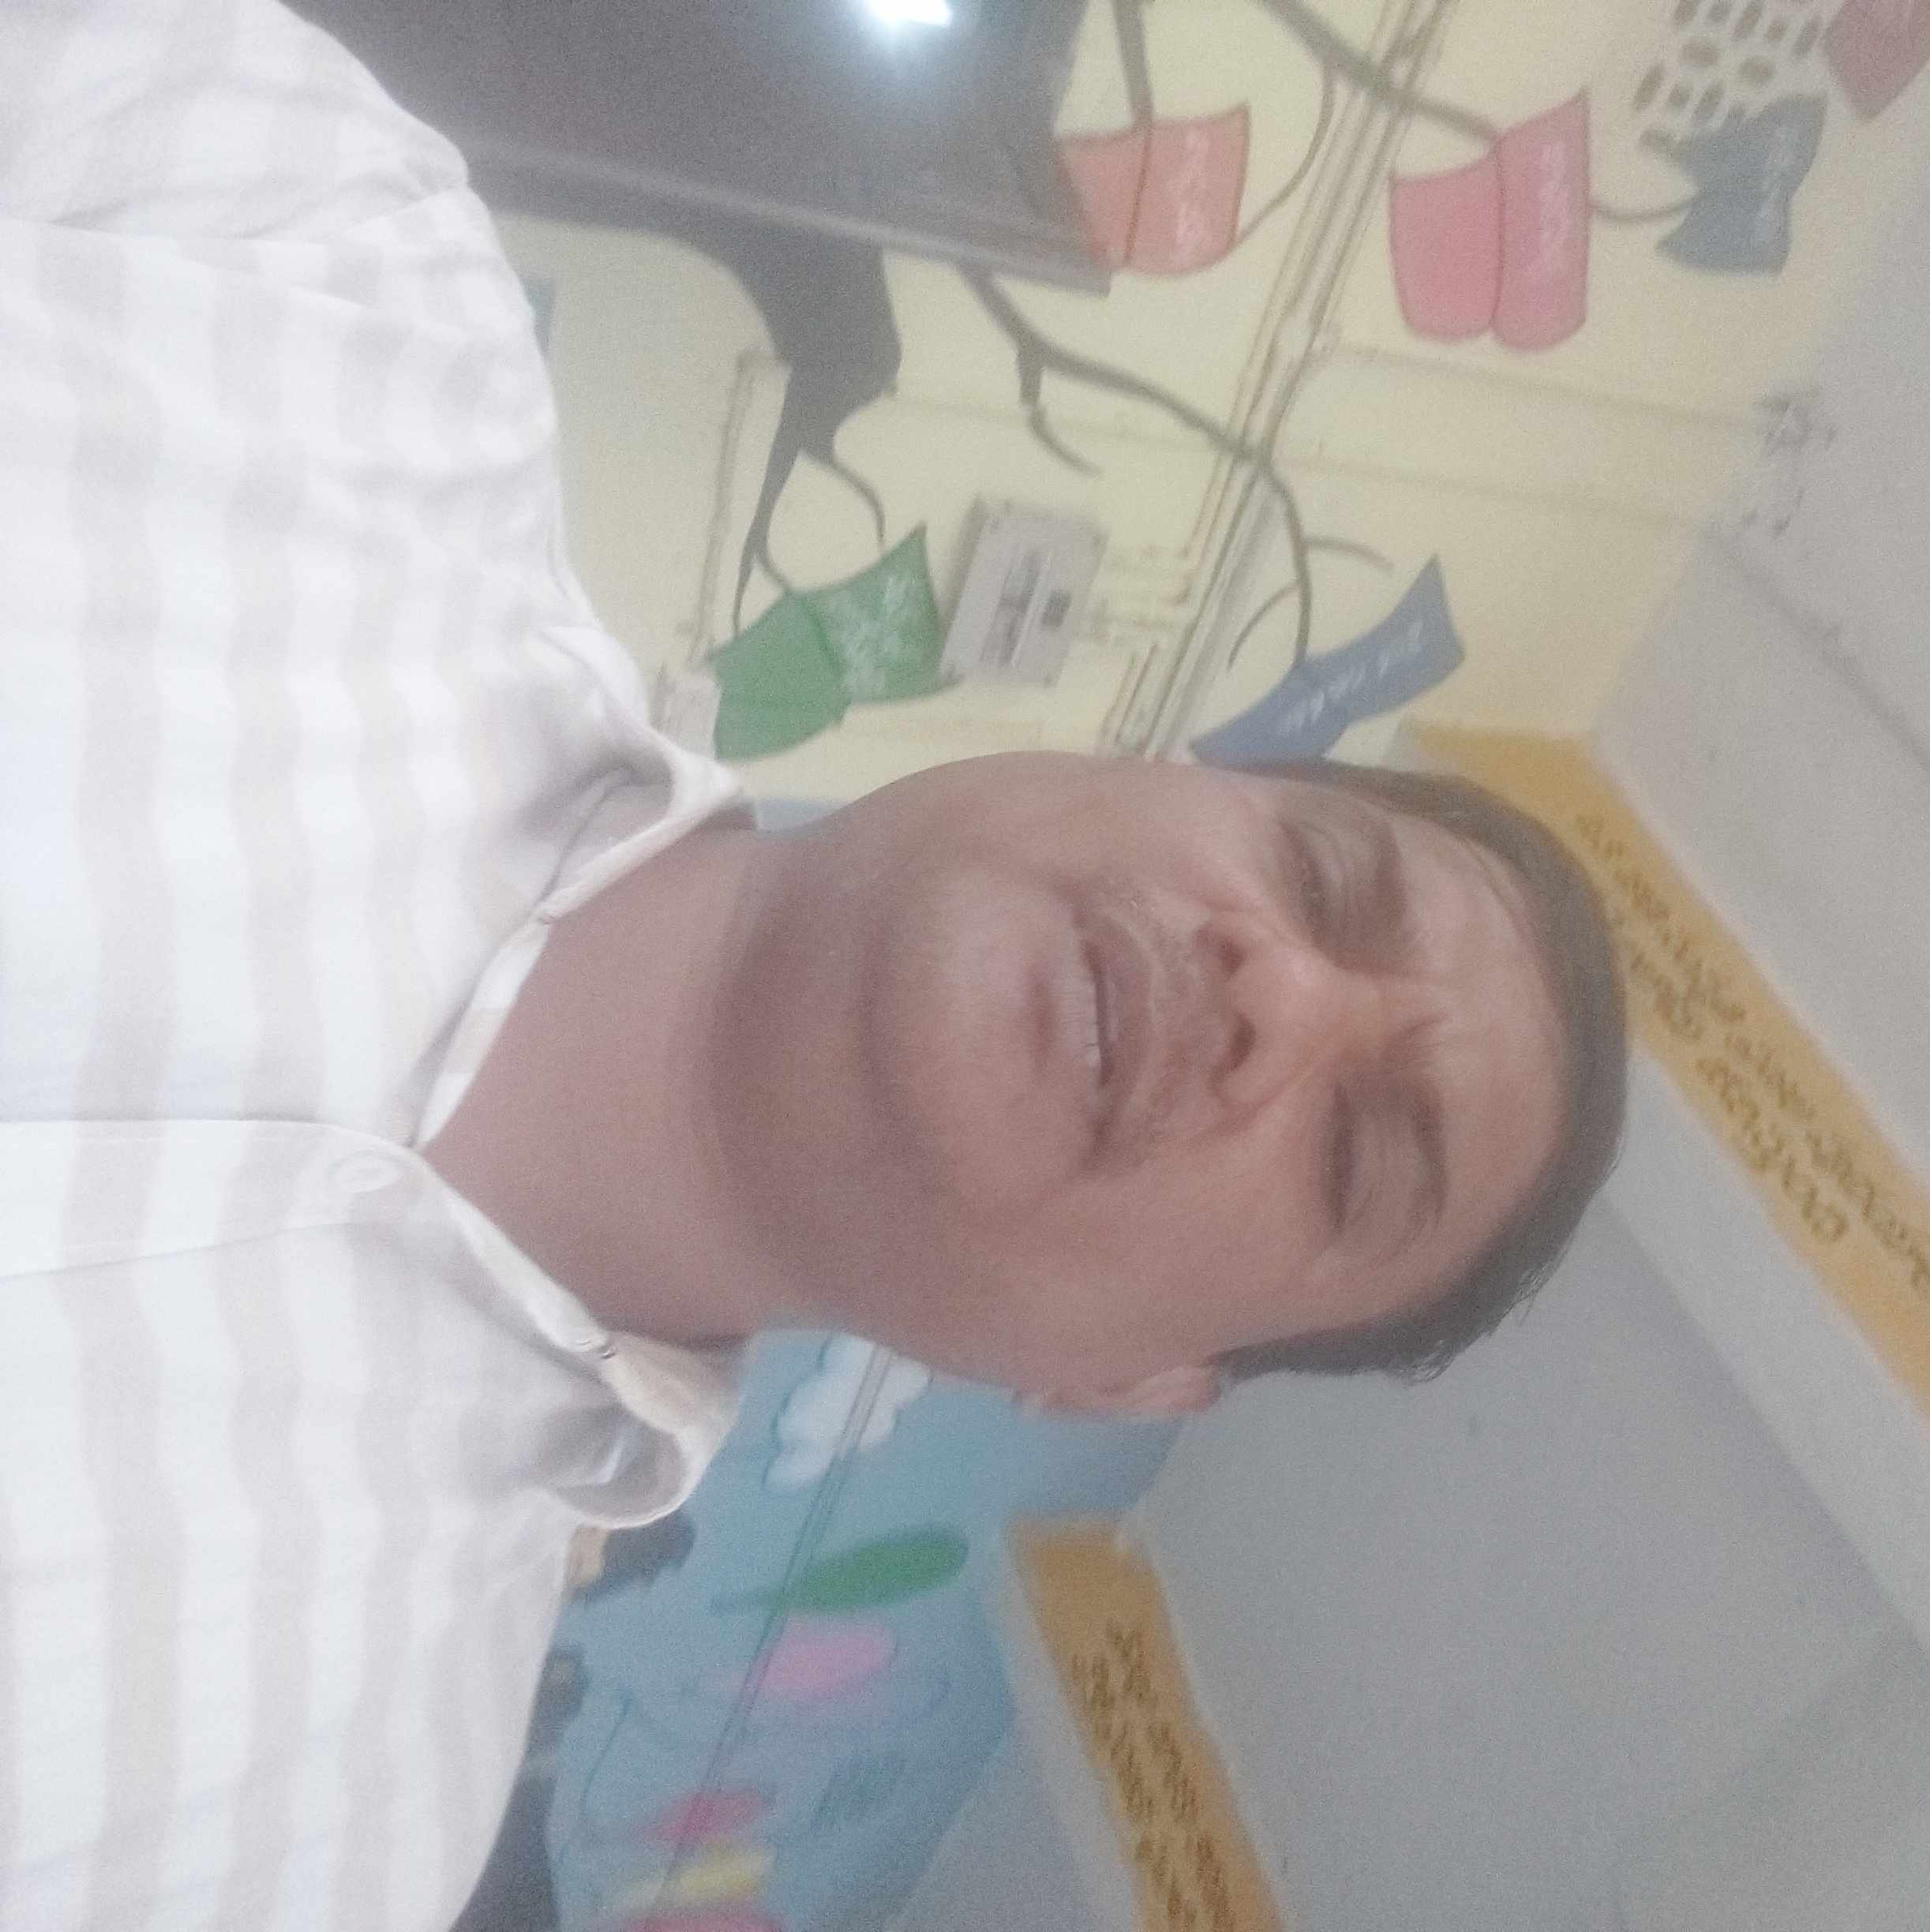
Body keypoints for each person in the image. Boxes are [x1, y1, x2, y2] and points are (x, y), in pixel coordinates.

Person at [0, 2, 1626, 1927]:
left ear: (1126, 1384)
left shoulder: (317, 1842)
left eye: (1358, 1154)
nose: (1280, 990)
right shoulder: (325, 274)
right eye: (1325, 879)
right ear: (1158, 764)